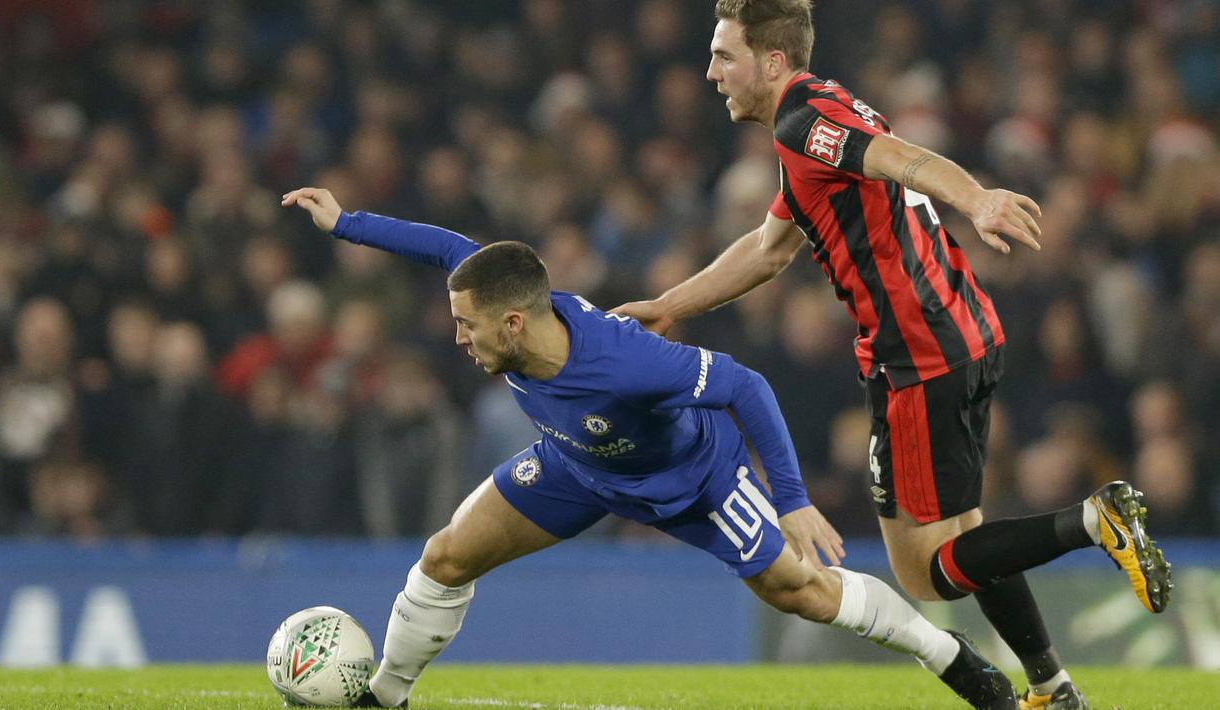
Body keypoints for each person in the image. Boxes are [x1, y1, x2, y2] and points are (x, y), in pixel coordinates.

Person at [611, 3, 1172, 709]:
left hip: (917, 356)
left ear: (773, 62)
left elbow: (901, 158)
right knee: (968, 535)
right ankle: (1050, 687)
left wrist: (978, 198)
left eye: (725, 56)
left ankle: (1094, 522)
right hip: (961, 333)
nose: (711, 72)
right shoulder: (816, 121)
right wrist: (667, 307)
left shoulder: (802, 119)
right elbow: (767, 249)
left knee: (927, 571)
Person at [283, 186, 1019, 709]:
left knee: (803, 592)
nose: (457, 337)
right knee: (445, 557)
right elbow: (446, 247)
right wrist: (345, 222)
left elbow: (744, 386)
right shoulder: (506, 311)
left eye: (468, 326)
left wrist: (790, 501)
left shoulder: (622, 362)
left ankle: (952, 659)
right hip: (578, 468)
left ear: (512, 324)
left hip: (693, 482)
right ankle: (386, 698)